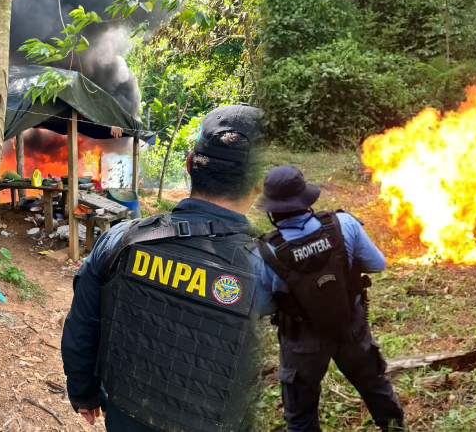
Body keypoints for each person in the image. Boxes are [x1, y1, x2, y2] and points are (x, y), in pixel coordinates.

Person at [62, 105, 265, 432]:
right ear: (260, 185)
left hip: (126, 415)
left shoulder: (121, 240)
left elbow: (82, 328)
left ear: (188, 164)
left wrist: (84, 394)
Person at [253, 166, 405, 432]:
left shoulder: (265, 252)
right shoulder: (343, 224)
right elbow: (377, 264)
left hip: (302, 341)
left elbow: (263, 306)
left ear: (272, 211)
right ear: (306, 199)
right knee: (375, 387)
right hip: (351, 328)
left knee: (301, 414)